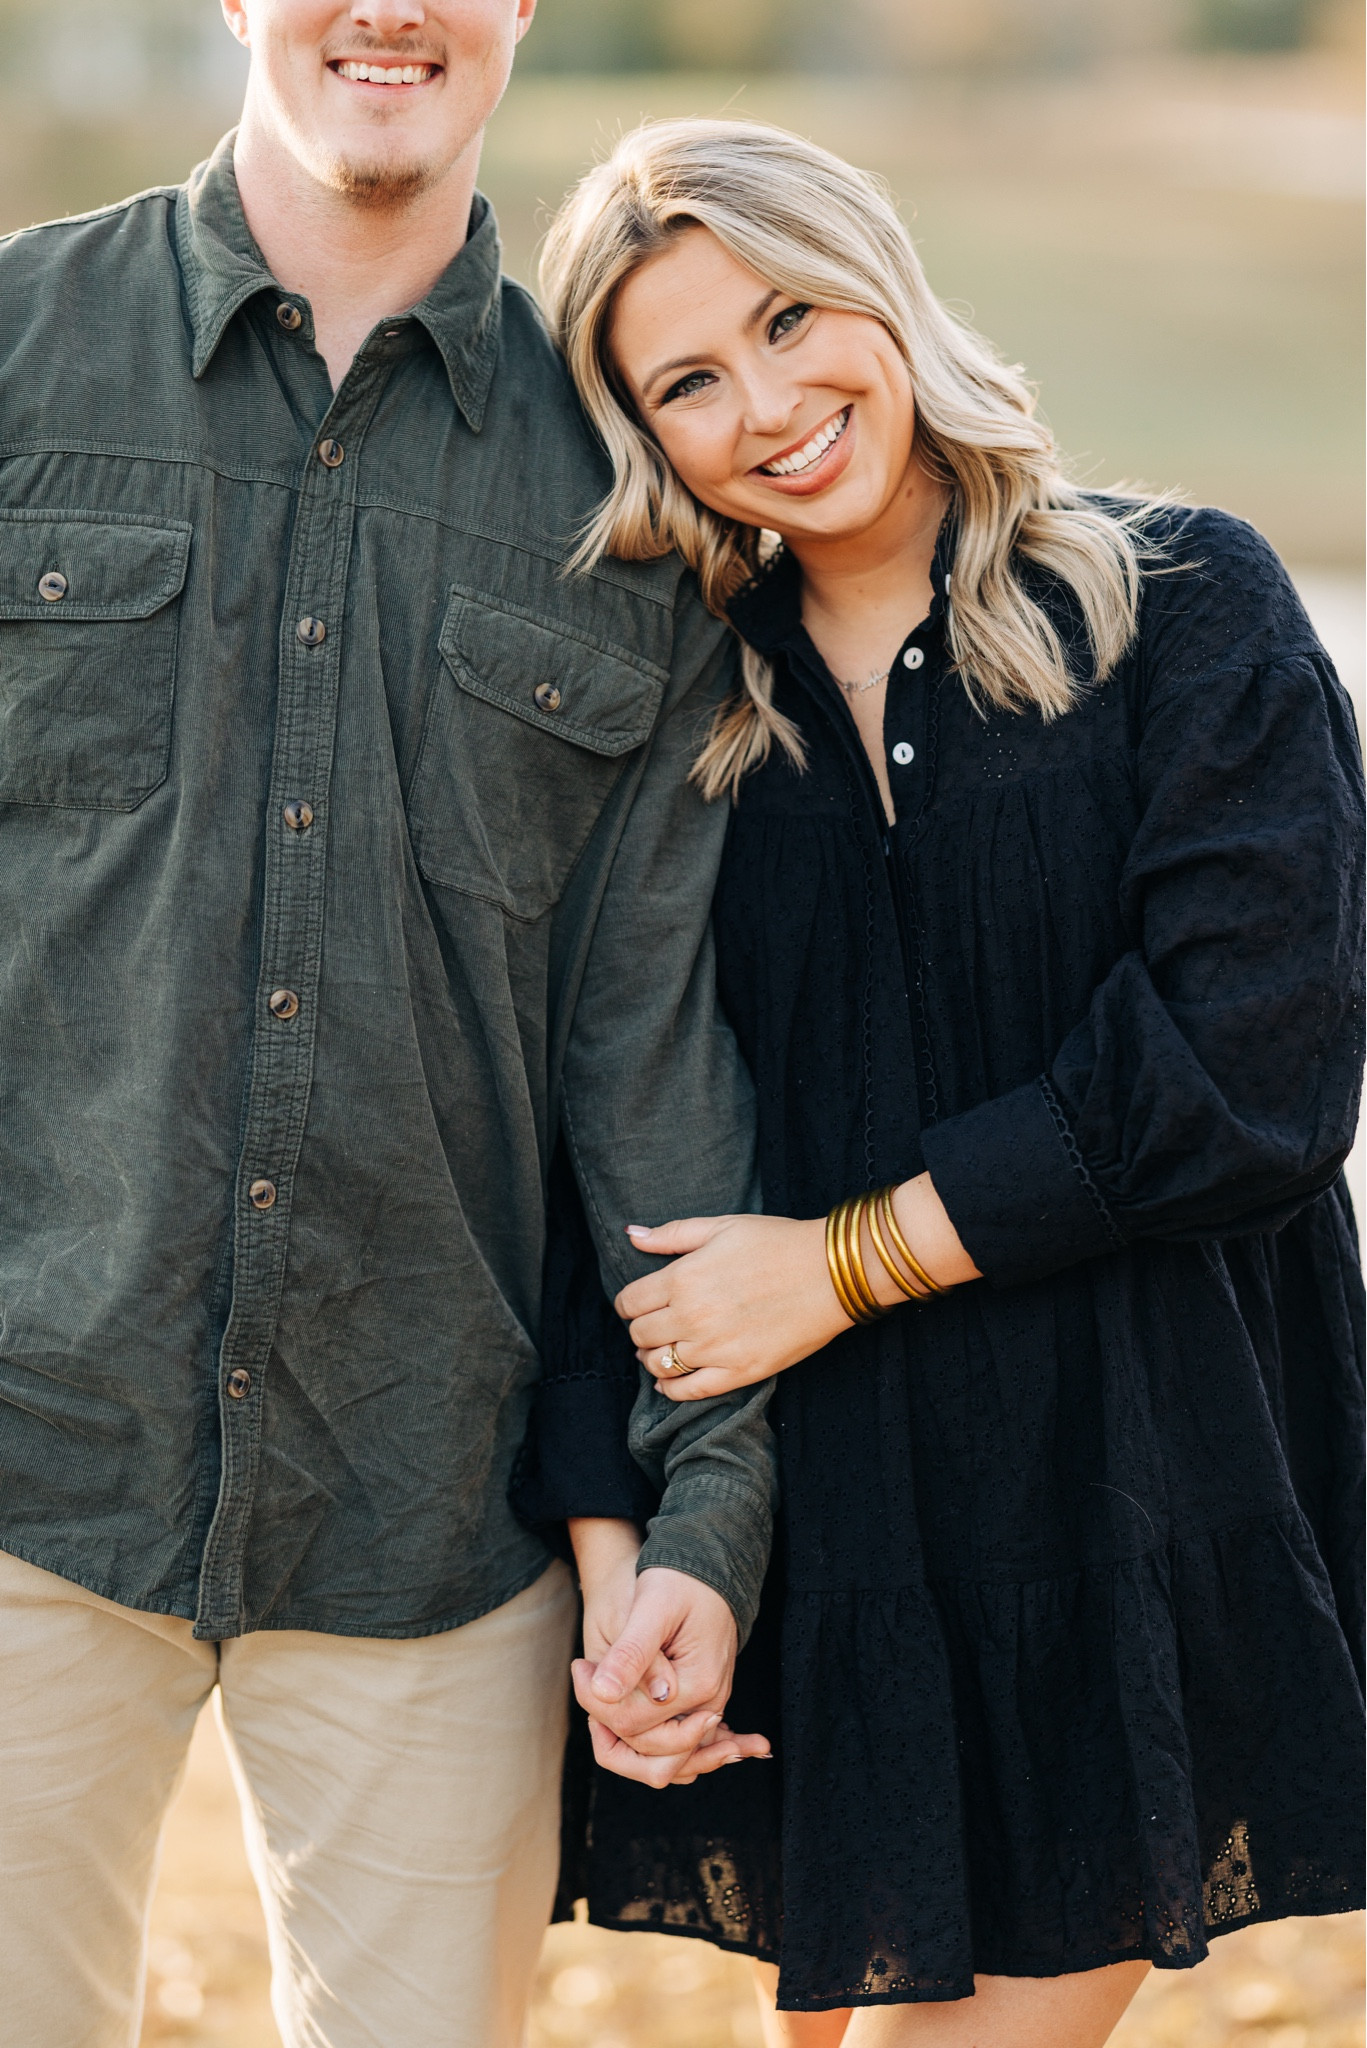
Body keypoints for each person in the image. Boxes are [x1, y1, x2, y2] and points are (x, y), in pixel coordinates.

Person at [536, 118, 1366, 2047]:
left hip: (1135, 1482)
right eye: (686, 380)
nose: (769, 403)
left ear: (881, 284)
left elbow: (1254, 1070)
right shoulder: (677, 717)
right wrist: (622, 1551)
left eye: (790, 316)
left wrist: (838, 1263)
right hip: (824, 1526)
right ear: (643, 435)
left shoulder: (1184, 608)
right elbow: (609, 1135)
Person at [0, 16, 779, 2048]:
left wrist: (705, 1507)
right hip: (21, 1462)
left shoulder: (629, 484)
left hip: (434, 1512)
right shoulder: (15, 352)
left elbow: (650, 1062)